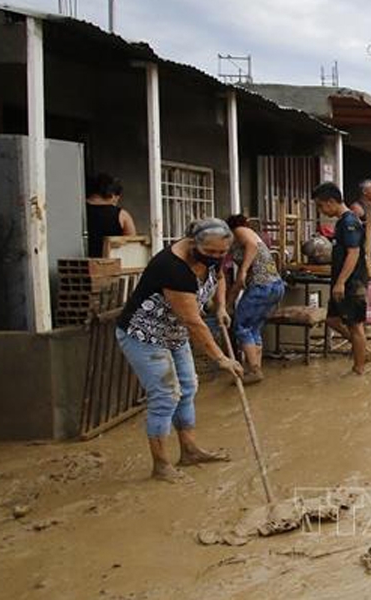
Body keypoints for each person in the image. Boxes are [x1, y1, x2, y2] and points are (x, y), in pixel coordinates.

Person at [115, 218, 244, 483]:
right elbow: (193, 322)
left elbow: (219, 277)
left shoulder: (212, 255)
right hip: (144, 335)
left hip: (174, 332)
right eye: (211, 253)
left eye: (222, 253)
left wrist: (220, 306)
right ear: (193, 243)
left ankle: (189, 450)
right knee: (166, 394)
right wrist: (221, 358)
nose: (217, 258)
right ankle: (160, 465)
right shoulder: (172, 268)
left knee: (187, 387)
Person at [314, 182, 371, 374]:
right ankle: (362, 350)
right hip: (345, 281)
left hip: (352, 283)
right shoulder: (342, 222)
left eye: (321, 206)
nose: (321, 211)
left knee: (355, 325)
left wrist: (340, 283)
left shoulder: (349, 222)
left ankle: (359, 368)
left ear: (331, 202)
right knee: (332, 319)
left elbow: (353, 253)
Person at [225, 214, 286, 385]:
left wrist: (243, 270)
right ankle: (255, 368)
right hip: (274, 286)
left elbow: (251, 246)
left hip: (262, 286)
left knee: (242, 326)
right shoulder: (247, 239)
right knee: (253, 328)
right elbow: (238, 284)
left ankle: (253, 370)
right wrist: (228, 305)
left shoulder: (241, 231)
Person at [86, 172, 136, 258]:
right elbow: (132, 245)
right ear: (113, 195)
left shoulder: (77, 210)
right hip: (112, 265)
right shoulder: (122, 215)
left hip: (81, 265)